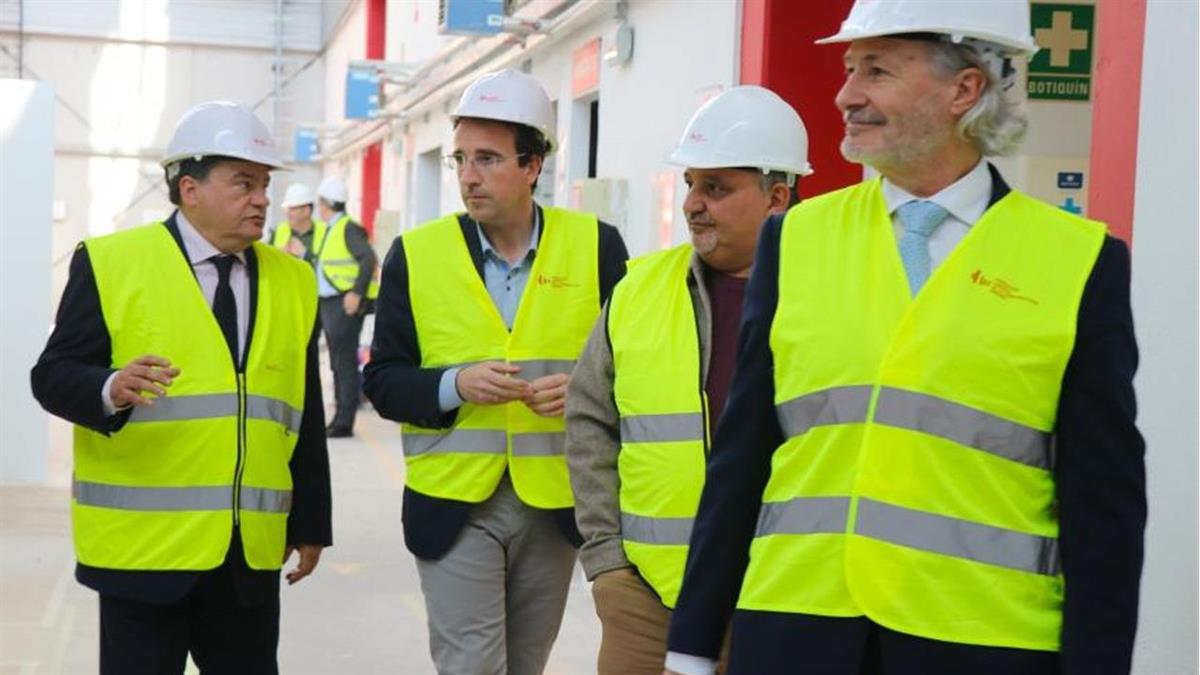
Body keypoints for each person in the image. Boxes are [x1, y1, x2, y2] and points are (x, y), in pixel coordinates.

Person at [664, 2, 1146, 674]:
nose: (845, 95)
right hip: (797, 630)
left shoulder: (1079, 260)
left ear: (965, 89)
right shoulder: (796, 239)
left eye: (877, 70)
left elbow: (1104, 502)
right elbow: (743, 455)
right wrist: (691, 642)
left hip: (982, 639)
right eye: (849, 68)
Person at [30, 100, 332, 675]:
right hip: (143, 556)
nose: (262, 198)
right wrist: (112, 386)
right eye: (244, 182)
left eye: (265, 183)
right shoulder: (113, 262)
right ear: (188, 188)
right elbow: (52, 375)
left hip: (247, 557)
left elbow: (302, 409)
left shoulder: (293, 280)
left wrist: (311, 521)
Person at [363, 68, 629, 675]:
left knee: (526, 663)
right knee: (472, 665)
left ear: (533, 165)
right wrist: (455, 384)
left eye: (487, 159)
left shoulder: (598, 248)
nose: (467, 176)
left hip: (554, 501)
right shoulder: (416, 254)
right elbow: (383, 381)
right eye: (460, 159)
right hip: (456, 505)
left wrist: (588, 391)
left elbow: (635, 369)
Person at [564, 85, 811, 675]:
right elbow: (589, 418)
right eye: (691, 184)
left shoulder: (832, 294)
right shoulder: (639, 290)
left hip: (785, 598)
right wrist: (607, 562)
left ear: (777, 196)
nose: (693, 203)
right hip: (649, 600)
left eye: (717, 188)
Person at [313, 175, 378, 438]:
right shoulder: (332, 228)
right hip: (331, 302)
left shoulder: (348, 228)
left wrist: (355, 293)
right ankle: (338, 417)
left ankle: (344, 421)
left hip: (344, 303)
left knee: (344, 362)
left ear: (326, 203)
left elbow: (368, 258)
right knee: (337, 363)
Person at [270, 182, 326, 262]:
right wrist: (278, 255)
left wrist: (304, 254)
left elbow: (327, 266)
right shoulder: (278, 231)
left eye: (292, 209)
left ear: (306, 210)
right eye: (287, 209)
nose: (287, 213)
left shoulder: (325, 232)